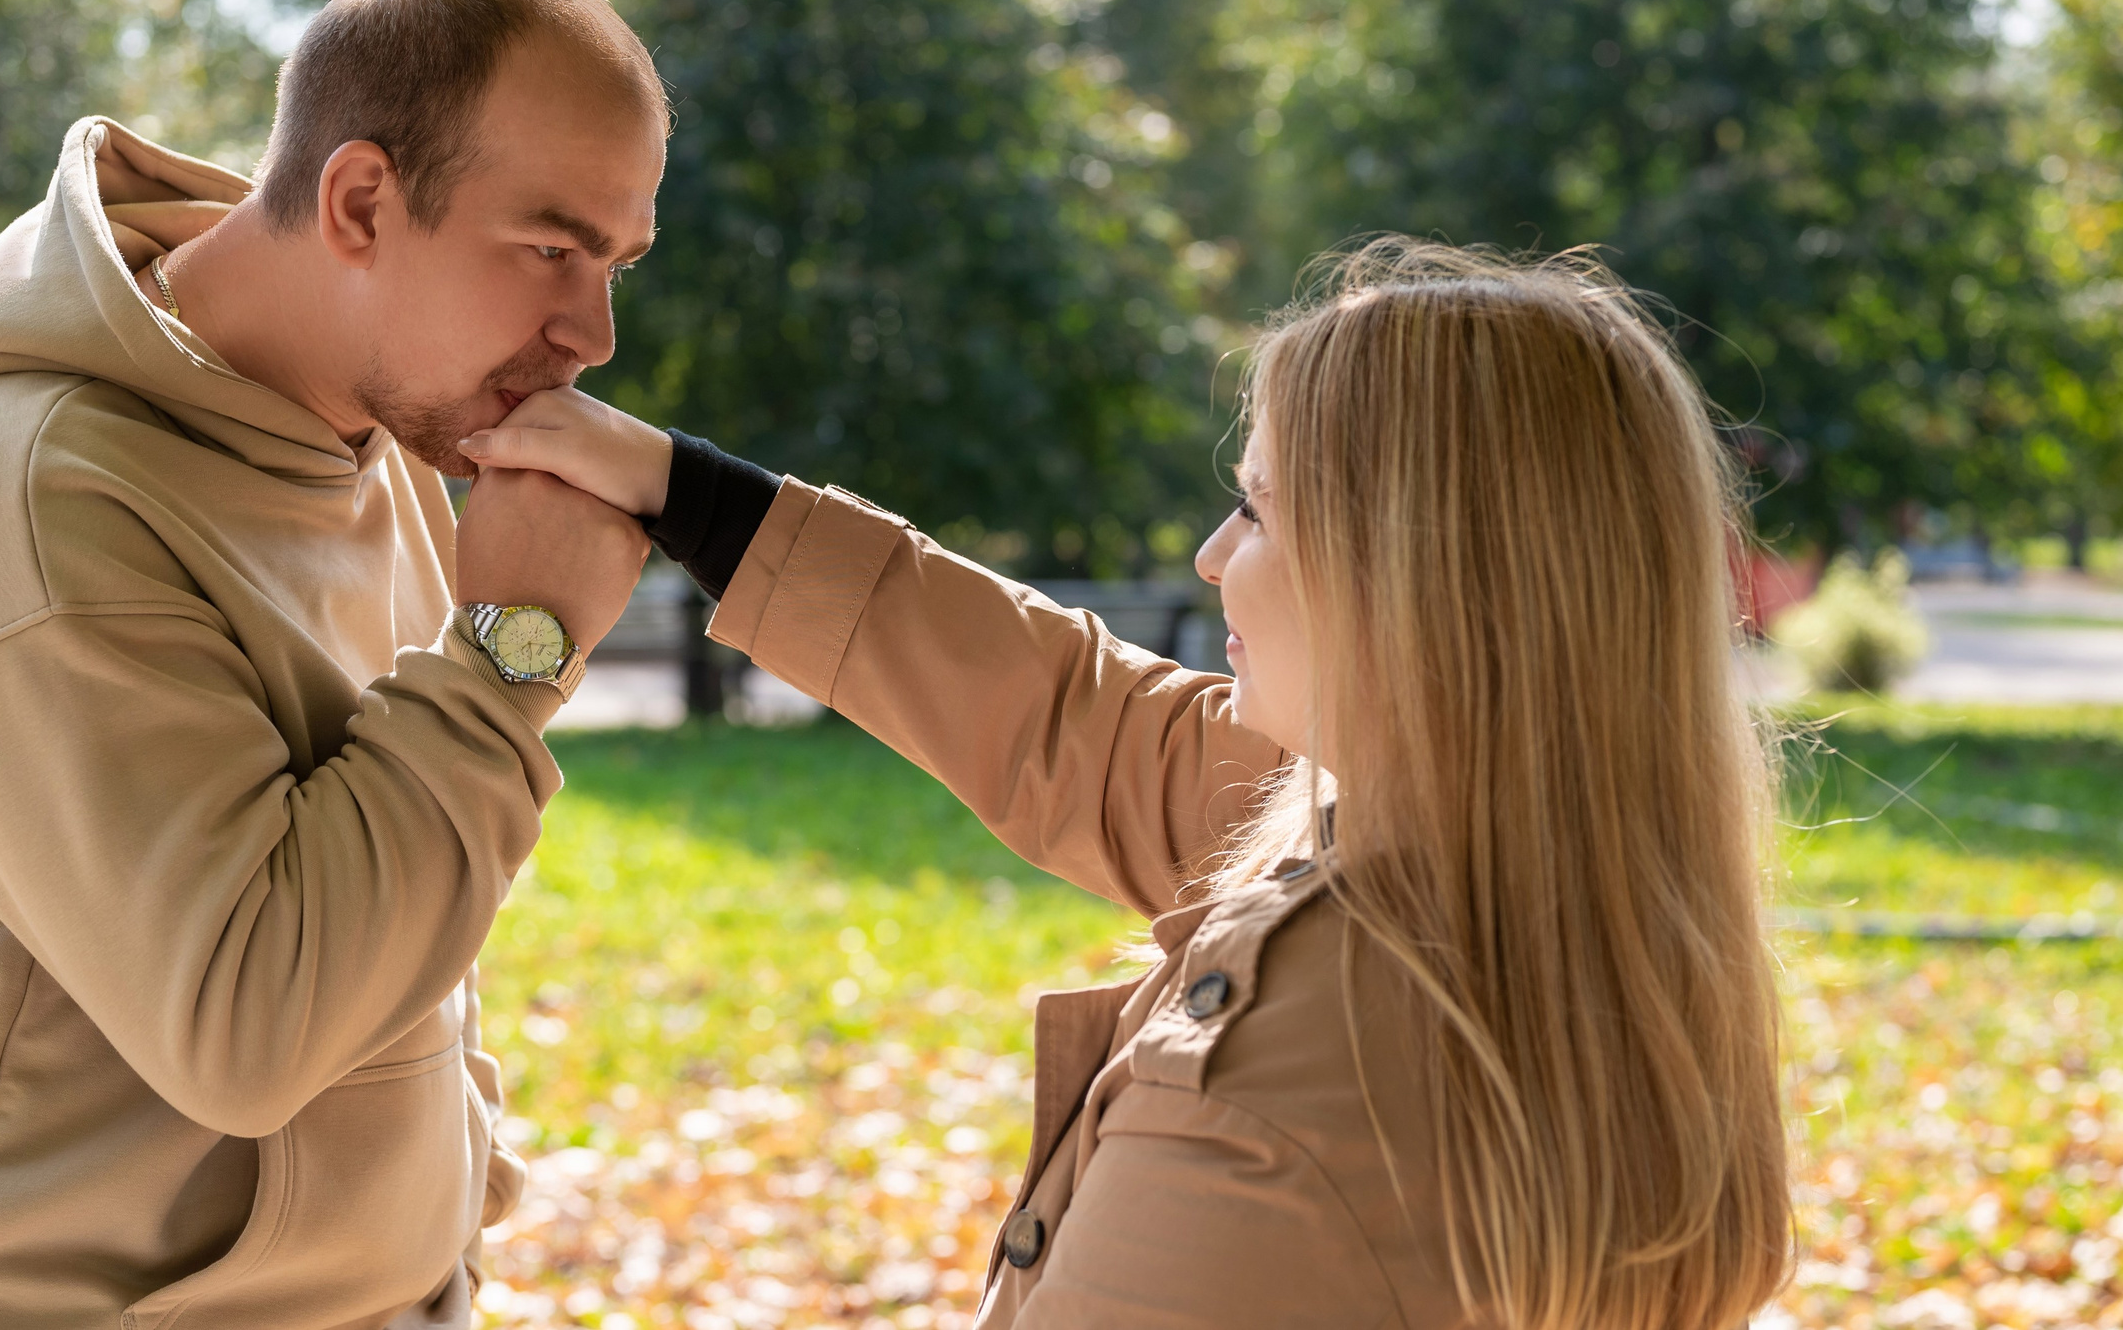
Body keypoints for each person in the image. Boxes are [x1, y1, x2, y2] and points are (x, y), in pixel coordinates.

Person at [459, 241, 1792, 1329]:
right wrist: (680, 490)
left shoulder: (1294, 1058)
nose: (1213, 555)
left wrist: (505, 648)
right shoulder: (1553, 890)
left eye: (1258, 508)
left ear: (1412, 579)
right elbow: (1068, 717)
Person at [0, 0, 664, 1329]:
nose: (592, 333)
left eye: (614, 263)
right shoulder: (24, 501)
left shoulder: (374, 438)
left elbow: (403, 900)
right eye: (552, 248)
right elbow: (246, 1028)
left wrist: (448, 1215)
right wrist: (512, 651)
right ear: (360, 202)